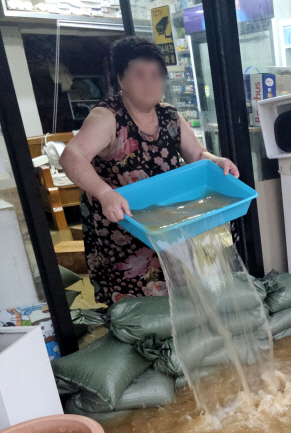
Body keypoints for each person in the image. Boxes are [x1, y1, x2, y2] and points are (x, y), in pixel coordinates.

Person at [60, 36, 239, 304]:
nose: (150, 83)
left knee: (179, 284)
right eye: (139, 75)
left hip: (165, 216)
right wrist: (104, 193)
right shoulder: (108, 117)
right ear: (121, 80)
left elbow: (197, 154)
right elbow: (71, 157)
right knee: (138, 294)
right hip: (124, 223)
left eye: (156, 75)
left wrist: (216, 161)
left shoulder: (169, 115)